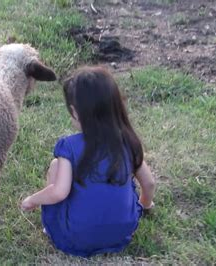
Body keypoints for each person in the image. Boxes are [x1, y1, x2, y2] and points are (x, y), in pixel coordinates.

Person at [21, 66, 156, 257]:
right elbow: (149, 183)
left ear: (75, 112)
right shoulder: (128, 140)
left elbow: (59, 192)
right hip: (122, 232)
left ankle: (50, 227)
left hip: (76, 237)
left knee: (56, 166)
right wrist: (145, 205)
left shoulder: (69, 146)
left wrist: (31, 200)